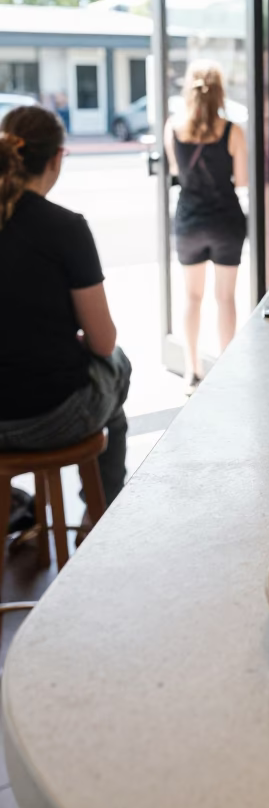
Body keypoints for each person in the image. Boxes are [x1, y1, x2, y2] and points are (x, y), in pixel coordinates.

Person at [0, 105, 130, 510]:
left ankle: (20, 509)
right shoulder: (65, 228)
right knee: (118, 367)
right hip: (49, 415)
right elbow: (103, 342)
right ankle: (102, 517)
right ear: (57, 159)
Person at [164, 61, 248, 393]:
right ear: (220, 93)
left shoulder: (174, 128)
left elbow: (176, 170)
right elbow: (241, 181)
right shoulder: (232, 131)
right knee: (225, 297)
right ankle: (225, 369)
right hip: (226, 219)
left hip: (189, 220)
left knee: (191, 297)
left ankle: (192, 371)